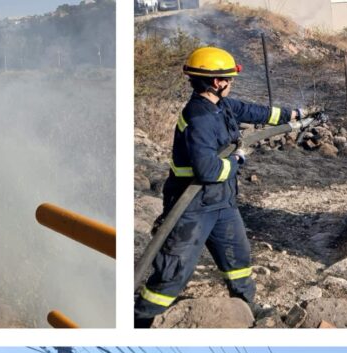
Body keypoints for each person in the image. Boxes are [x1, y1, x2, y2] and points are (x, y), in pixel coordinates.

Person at [134, 46, 312, 328]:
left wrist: (292, 114)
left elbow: (253, 111)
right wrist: (237, 161)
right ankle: (142, 319)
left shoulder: (220, 105)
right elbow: (208, 169)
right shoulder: (200, 118)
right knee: (174, 270)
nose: (231, 83)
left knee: (238, 258)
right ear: (218, 82)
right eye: (229, 78)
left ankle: (245, 306)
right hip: (191, 207)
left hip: (222, 203)